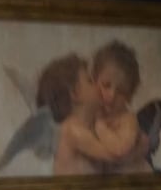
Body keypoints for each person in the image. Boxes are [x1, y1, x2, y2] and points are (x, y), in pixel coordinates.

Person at [43, 47, 149, 175]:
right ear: (75, 93)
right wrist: (139, 149)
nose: (97, 85)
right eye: (90, 80)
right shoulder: (72, 129)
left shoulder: (92, 124)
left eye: (121, 91)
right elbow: (116, 156)